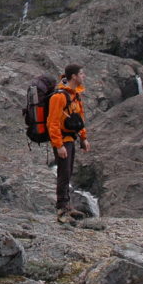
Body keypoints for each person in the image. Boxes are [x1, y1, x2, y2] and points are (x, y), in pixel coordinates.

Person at [47, 63, 91, 222]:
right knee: (64, 173)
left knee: (68, 172)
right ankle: (62, 207)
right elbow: (52, 123)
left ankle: (67, 206)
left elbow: (78, 118)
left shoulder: (74, 95)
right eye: (82, 73)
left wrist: (83, 138)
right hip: (63, 141)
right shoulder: (59, 97)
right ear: (74, 76)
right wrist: (58, 145)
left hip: (70, 139)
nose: (84, 76)